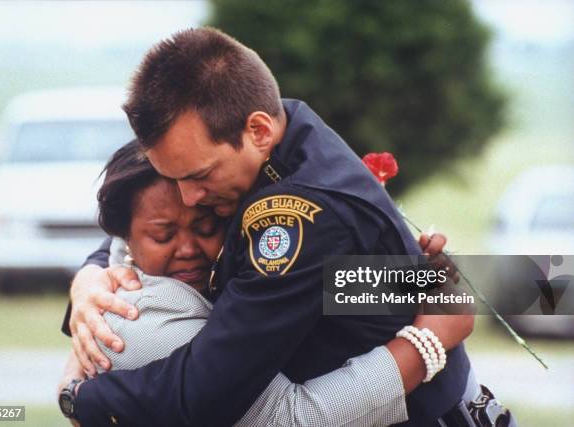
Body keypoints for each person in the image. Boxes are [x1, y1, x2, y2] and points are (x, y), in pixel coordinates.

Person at [60, 28, 494, 426]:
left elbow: (209, 396)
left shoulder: (294, 218)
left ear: (258, 131)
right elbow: (337, 288)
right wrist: (90, 276)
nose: (189, 197)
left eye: (198, 177)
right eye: (176, 179)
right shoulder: (278, 134)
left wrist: (78, 397)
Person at [59, 140, 474, 426]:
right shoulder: (135, 316)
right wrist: (427, 343)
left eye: (207, 224)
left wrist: (405, 270)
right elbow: (287, 419)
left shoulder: (225, 271)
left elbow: (305, 290)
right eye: (163, 235)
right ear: (125, 237)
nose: (187, 248)